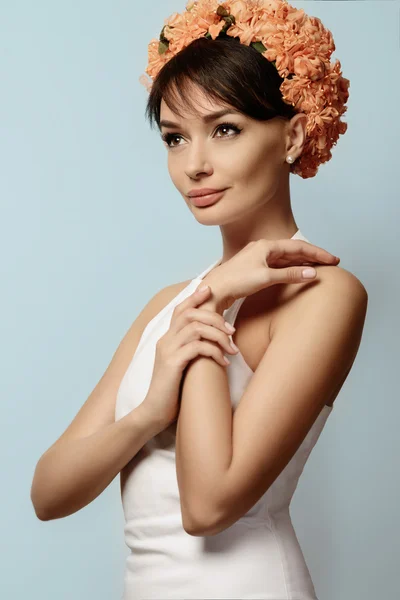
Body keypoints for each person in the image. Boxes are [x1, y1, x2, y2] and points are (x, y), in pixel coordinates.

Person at [30, 1, 368, 599]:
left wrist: (213, 306)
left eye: (225, 129)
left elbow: (208, 506)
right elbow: (49, 493)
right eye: (175, 138)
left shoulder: (324, 295)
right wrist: (149, 415)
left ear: (292, 134)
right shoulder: (171, 303)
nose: (195, 165)